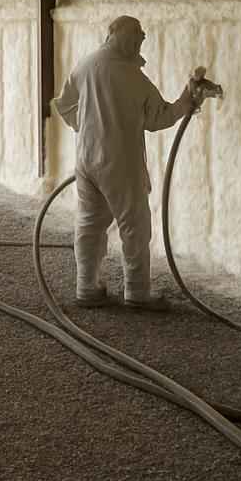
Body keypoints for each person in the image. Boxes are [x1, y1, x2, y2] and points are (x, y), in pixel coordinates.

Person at [52, 16, 201, 311]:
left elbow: (64, 104)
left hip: (86, 159)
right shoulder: (133, 77)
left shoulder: (85, 65)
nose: (140, 40)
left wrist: (89, 125)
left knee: (89, 223)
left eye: (141, 36)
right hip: (119, 162)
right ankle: (136, 292)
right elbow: (160, 117)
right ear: (114, 33)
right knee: (134, 225)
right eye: (135, 35)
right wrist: (188, 99)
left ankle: (87, 287)